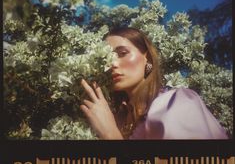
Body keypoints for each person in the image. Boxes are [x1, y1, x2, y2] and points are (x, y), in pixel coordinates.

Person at [80, 27, 228, 140]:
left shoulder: (177, 102)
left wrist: (110, 135)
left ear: (148, 59)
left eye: (122, 53)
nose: (111, 64)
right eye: (105, 58)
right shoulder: (121, 118)